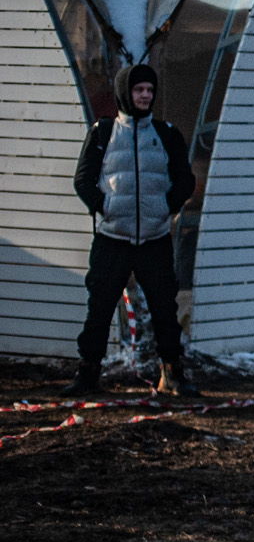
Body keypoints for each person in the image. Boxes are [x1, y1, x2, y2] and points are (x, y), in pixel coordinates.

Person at [63, 63, 197, 397]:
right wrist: (105, 206)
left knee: (165, 308)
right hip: (112, 238)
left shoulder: (166, 134)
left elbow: (186, 180)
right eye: (139, 90)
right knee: (99, 308)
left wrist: (165, 207)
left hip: (154, 239)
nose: (145, 96)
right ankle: (88, 373)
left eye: (150, 90)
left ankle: (173, 373)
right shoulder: (103, 133)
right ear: (126, 93)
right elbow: (83, 179)